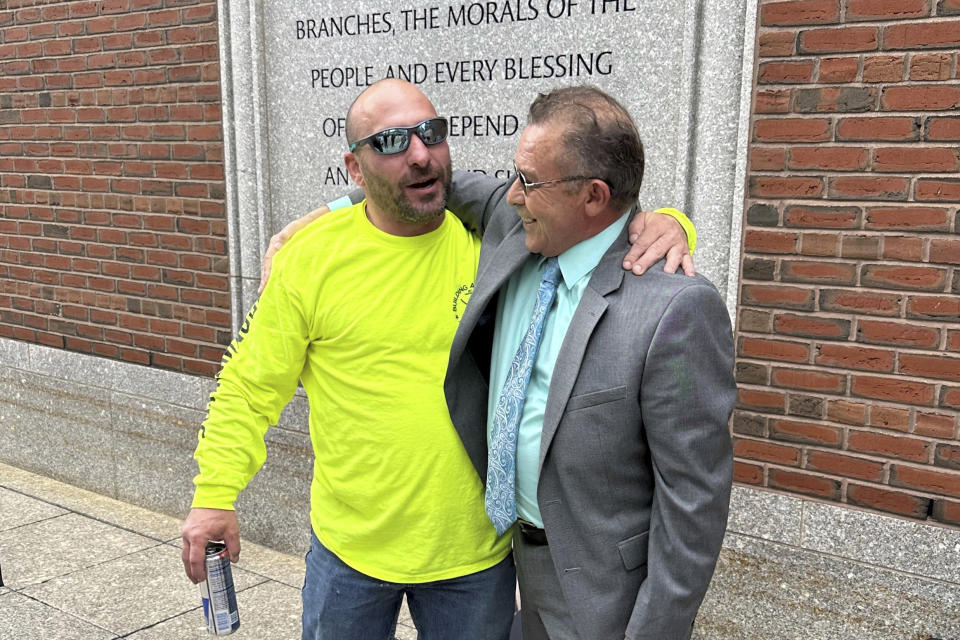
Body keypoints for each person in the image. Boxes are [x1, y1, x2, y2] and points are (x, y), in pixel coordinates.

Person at [182, 79, 693, 640]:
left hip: (472, 559)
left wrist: (670, 221)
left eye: (431, 133)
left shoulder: (501, 245)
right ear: (355, 168)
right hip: (350, 552)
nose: (421, 153)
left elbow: (598, 221)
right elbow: (248, 388)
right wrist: (214, 495)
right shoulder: (310, 261)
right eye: (393, 141)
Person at [444, 86, 736, 640]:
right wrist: (332, 210)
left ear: (594, 197)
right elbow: (430, 181)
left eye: (529, 181)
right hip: (507, 565)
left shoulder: (676, 310)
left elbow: (692, 503)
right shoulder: (520, 232)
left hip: (604, 598)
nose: (512, 195)